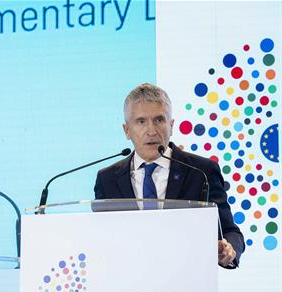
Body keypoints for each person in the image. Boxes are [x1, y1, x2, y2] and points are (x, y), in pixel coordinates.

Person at [94, 83, 244, 268]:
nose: (151, 130)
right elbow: (101, 239)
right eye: (141, 121)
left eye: (159, 120)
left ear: (171, 125)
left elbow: (230, 231)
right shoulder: (107, 179)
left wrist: (228, 249)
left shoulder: (202, 172)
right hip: (126, 291)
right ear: (127, 130)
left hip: (187, 289)